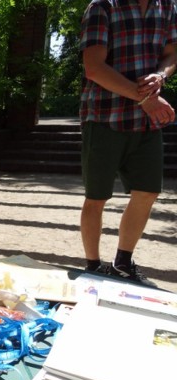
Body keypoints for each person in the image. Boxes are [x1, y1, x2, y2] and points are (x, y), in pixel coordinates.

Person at [79, 0, 177, 287]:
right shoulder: (103, 6)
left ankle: (123, 262)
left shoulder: (168, 7)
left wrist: (161, 74)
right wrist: (145, 98)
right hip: (104, 117)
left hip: (147, 122)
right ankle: (93, 266)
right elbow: (94, 67)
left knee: (147, 192)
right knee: (97, 197)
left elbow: (172, 54)